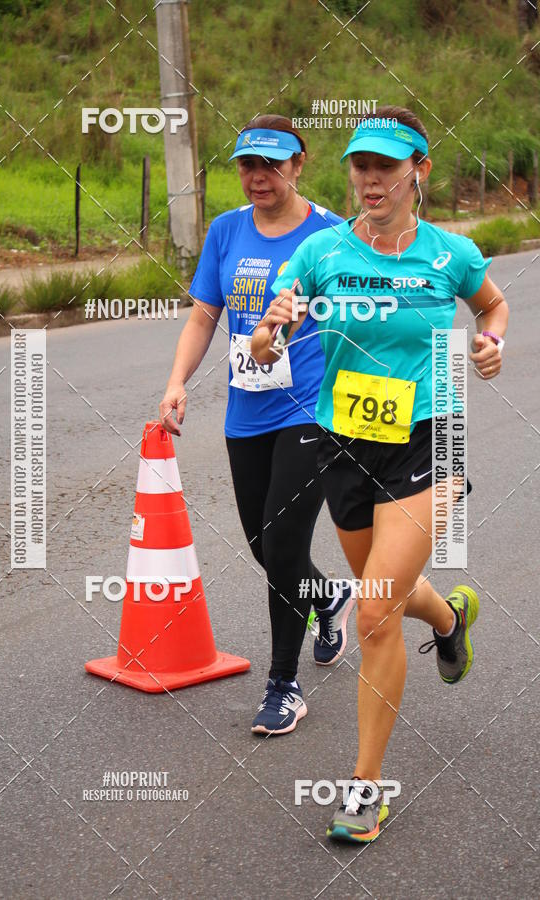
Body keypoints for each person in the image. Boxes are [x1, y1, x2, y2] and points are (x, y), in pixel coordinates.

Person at [252, 106, 508, 838]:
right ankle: (452, 617)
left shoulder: (449, 253)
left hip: (434, 438)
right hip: (346, 443)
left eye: (386, 167)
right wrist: (271, 335)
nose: (370, 179)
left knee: (371, 614)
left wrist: (489, 340)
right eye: (361, 166)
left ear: (418, 173)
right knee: (384, 597)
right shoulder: (322, 254)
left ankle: (365, 790)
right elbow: (273, 326)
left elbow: (492, 305)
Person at [159, 115, 354, 736]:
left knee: (282, 542)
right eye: (247, 164)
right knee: (264, 549)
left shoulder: (331, 234)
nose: (257, 177)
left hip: (314, 411)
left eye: (272, 164)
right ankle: (329, 598)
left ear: (299, 165)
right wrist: (176, 382)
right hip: (247, 411)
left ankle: (283, 685)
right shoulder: (226, 231)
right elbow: (202, 318)